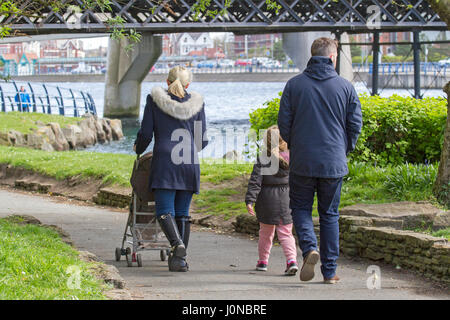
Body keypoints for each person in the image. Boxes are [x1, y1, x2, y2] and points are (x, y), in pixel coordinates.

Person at [277, 38, 363, 284]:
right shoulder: (345, 87)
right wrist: (343, 148)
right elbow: (355, 123)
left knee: (301, 208)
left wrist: (296, 145)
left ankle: (309, 248)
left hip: (303, 160)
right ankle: (329, 272)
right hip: (333, 161)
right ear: (333, 57)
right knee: (329, 214)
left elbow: (284, 124)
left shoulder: (294, 85)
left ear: (312, 55)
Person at [134, 66, 208, 272]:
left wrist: (138, 148)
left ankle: (177, 245)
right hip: (189, 161)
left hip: (166, 162)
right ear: (188, 85)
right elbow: (202, 140)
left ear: (167, 82)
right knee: (182, 213)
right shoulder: (198, 104)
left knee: (164, 210)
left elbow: (146, 134)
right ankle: (179, 261)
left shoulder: (154, 100)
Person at [245, 125, 298, 276]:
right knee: (286, 233)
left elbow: (255, 181)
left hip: (266, 200)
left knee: (265, 233)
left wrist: (250, 200)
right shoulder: (293, 156)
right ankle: (292, 261)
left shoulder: (263, 158)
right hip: (287, 199)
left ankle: (262, 261)